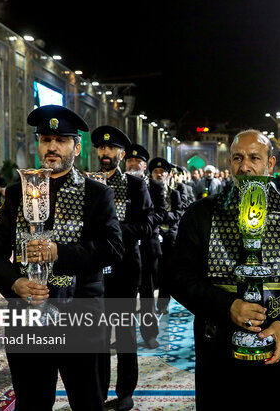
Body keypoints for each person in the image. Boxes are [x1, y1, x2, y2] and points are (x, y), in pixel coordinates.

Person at [169, 130, 280, 411]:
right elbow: (178, 277)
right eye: (237, 158)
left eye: (254, 158)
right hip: (217, 344)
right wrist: (227, 305)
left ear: (270, 164)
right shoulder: (201, 213)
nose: (245, 166)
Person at [0, 105, 124, 410]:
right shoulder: (16, 193)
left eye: (61, 140)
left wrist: (59, 251)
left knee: (88, 402)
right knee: (32, 402)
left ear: (76, 146)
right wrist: (16, 284)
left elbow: (113, 247)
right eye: (46, 139)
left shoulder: (96, 193)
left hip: (81, 314)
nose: (53, 147)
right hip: (28, 316)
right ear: (38, 144)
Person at [91, 126, 154, 411]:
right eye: (102, 149)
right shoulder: (85, 184)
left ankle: (125, 392)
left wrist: (116, 230)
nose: (106, 153)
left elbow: (149, 224)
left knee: (125, 332)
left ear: (121, 154)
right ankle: (98, 392)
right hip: (94, 271)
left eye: (111, 149)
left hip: (125, 268)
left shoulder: (135, 185)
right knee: (98, 336)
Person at [125, 144, 167, 349]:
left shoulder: (155, 186)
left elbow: (161, 213)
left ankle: (150, 334)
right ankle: (124, 335)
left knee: (148, 295)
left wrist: (146, 222)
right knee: (126, 296)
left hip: (148, 246)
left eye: (137, 162)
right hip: (126, 247)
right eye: (129, 161)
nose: (133, 164)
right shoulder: (120, 185)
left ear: (144, 166)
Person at [149, 158, 183, 315]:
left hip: (169, 236)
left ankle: (163, 304)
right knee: (152, 271)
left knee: (166, 272)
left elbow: (178, 212)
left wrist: (164, 217)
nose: (159, 174)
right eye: (156, 171)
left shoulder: (174, 192)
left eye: (162, 172)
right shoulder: (146, 191)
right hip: (152, 235)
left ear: (168, 174)